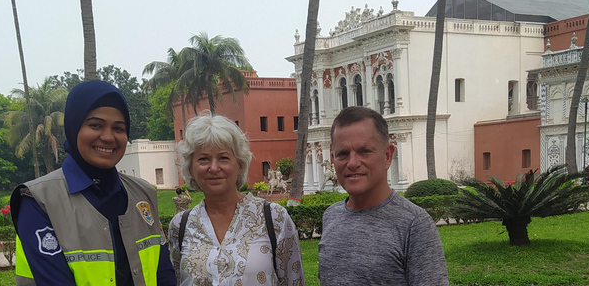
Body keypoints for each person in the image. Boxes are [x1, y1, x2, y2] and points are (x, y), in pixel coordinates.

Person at [10, 80, 176, 286]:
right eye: (95, 125)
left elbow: (164, 274)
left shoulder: (142, 193)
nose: (108, 137)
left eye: (118, 128)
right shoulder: (39, 201)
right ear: (73, 127)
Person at [168, 113, 305, 285]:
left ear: (239, 165)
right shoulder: (180, 226)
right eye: (203, 159)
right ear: (191, 168)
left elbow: (294, 281)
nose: (214, 167)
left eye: (223, 158)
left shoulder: (275, 219)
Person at [318, 106, 449, 286]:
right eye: (343, 154)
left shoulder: (414, 225)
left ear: (387, 156)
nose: (353, 162)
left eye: (364, 151)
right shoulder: (331, 216)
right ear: (333, 159)